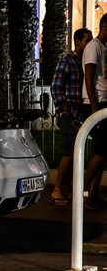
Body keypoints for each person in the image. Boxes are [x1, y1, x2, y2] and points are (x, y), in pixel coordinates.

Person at [49, 28, 93, 206]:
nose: (89, 44)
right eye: (87, 40)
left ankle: (65, 189)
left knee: (76, 151)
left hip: (79, 113)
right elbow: (56, 86)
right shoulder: (67, 61)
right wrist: (64, 106)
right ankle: (57, 189)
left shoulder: (84, 62)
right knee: (69, 151)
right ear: (77, 42)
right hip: (69, 113)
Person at [81, 14, 107, 210]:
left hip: (102, 103)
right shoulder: (94, 46)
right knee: (100, 151)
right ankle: (82, 191)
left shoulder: (103, 48)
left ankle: (92, 193)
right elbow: (89, 77)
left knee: (103, 153)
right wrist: (94, 107)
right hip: (96, 104)